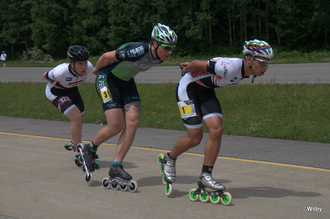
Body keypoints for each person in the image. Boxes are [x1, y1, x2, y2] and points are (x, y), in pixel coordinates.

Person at [162, 39, 274, 191]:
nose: (265, 67)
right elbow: (196, 64)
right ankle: (169, 158)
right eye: (262, 63)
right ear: (249, 59)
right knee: (195, 137)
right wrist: (186, 68)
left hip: (206, 91)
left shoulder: (246, 71)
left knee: (216, 130)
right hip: (188, 89)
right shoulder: (228, 67)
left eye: (268, 63)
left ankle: (205, 176)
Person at [83, 23, 177, 181]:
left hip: (126, 82)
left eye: (172, 48)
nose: (170, 52)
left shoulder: (159, 57)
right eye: (167, 48)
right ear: (155, 43)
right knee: (116, 125)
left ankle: (116, 166)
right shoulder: (138, 50)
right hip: (108, 79)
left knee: (133, 121)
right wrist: (95, 70)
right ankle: (90, 149)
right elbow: (106, 57)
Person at [43, 45, 93, 151]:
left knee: (80, 119)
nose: (84, 67)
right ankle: (79, 149)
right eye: (80, 64)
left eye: (85, 62)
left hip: (72, 90)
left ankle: (75, 142)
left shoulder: (89, 67)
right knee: (77, 118)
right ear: (72, 64)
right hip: (56, 92)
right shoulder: (60, 72)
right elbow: (45, 76)